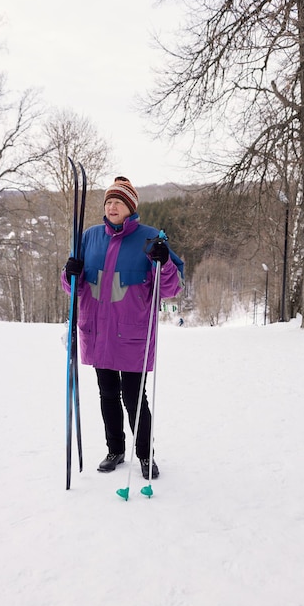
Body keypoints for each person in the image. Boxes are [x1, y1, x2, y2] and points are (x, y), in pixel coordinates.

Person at [62, 176, 184, 479]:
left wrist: (164, 261)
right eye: (108, 201)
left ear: (130, 207)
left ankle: (145, 455)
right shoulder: (88, 237)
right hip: (98, 332)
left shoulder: (150, 237)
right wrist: (69, 273)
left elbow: (171, 287)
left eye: (118, 202)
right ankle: (114, 449)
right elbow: (73, 287)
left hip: (132, 335)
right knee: (107, 394)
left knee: (133, 398)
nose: (112, 206)